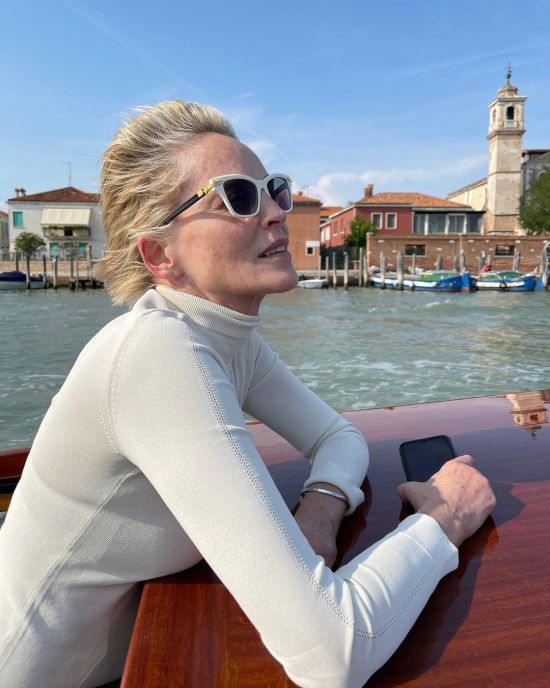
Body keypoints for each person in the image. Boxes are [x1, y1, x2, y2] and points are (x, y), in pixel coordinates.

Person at [0, 101, 496, 688]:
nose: (276, 213)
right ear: (160, 255)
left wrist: (320, 509)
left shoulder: (227, 339)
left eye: (274, 190)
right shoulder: (157, 352)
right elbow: (333, 656)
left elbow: (338, 436)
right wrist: (445, 516)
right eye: (237, 197)